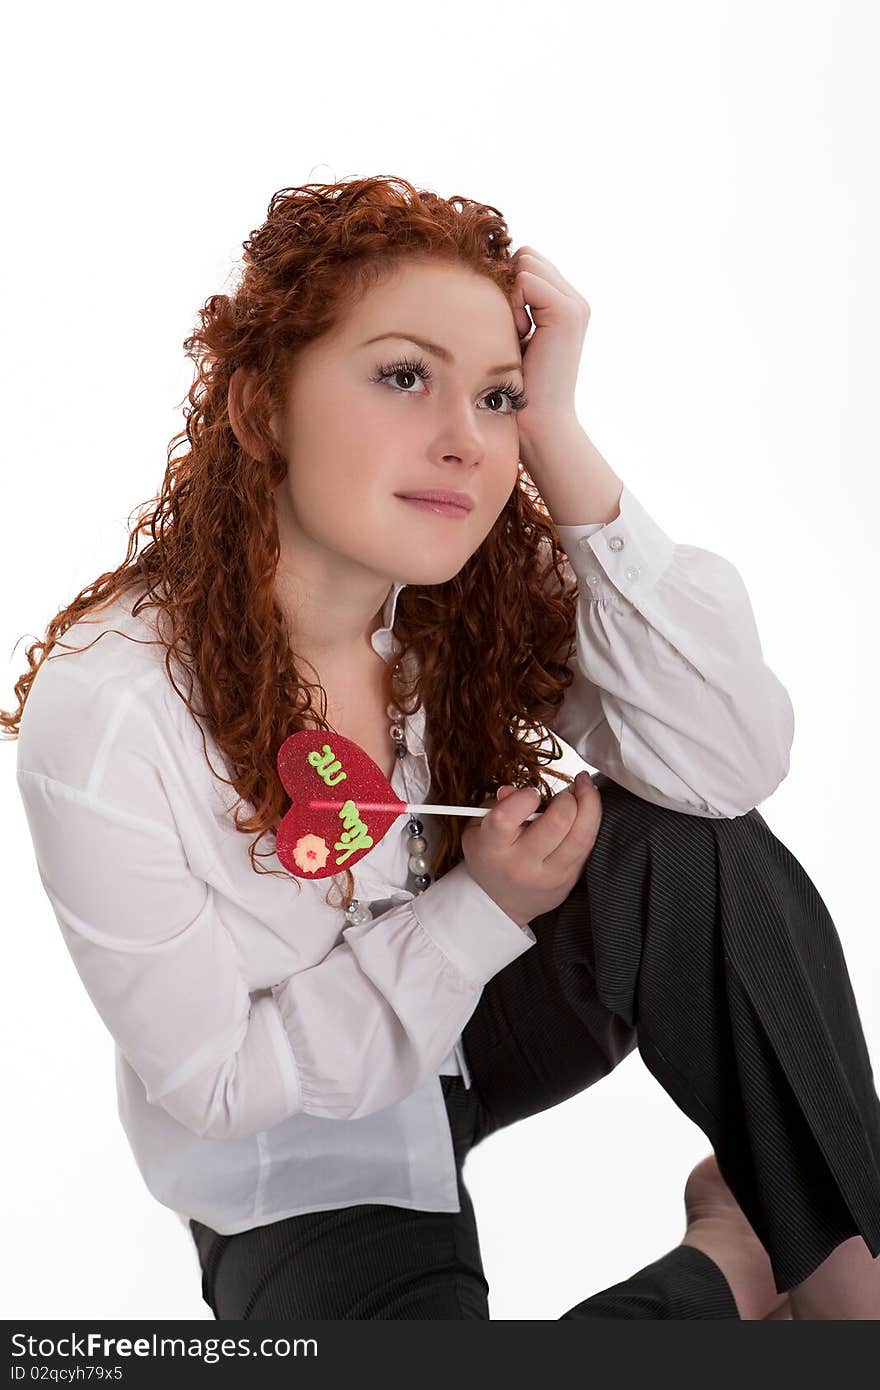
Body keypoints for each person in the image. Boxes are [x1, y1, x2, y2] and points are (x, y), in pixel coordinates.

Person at [6, 175, 879, 1319]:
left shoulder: (457, 601)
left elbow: (728, 759)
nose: (466, 442)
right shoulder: (113, 708)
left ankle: (849, 1273)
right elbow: (216, 1081)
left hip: (479, 1024)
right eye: (405, 376)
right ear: (261, 411)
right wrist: (482, 910)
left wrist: (558, 430)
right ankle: (739, 1258)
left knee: (687, 841)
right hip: (302, 1152)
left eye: (499, 396)